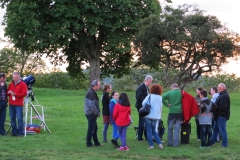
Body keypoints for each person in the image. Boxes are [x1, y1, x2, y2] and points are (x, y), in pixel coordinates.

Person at [142, 84, 163, 149]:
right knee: (154, 130)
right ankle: (159, 144)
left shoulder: (149, 96)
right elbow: (160, 107)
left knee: (149, 130)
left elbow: (143, 103)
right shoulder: (160, 97)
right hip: (156, 116)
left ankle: (151, 145)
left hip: (148, 115)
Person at [7, 72, 27, 137]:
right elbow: (7, 93)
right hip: (11, 104)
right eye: (14, 77)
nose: (15, 79)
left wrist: (15, 94)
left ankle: (20, 132)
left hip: (18, 104)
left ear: (19, 77)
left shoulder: (23, 84)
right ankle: (14, 132)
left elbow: (24, 93)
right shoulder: (10, 84)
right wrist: (9, 92)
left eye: (16, 78)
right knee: (12, 118)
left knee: (19, 119)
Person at [211, 83, 230, 148]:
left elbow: (223, 107)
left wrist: (217, 112)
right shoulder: (222, 94)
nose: (217, 88)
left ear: (221, 88)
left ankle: (225, 144)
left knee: (222, 130)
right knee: (215, 128)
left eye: (218, 87)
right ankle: (212, 141)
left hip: (221, 116)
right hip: (218, 115)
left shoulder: (224, 96)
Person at [84, 80, 102, 147]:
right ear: (95, 86)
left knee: (95, 128)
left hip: (90, 113)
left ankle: (96, 142)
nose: (100, 86)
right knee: (91, 128)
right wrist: (96, 112)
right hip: (91, 113)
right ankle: (89, 143)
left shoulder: (92, 92)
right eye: (99, 85)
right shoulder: (91, 93)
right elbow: (91, 105)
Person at [135, 75, 153, 141]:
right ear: (146, 80)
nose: (150, 83)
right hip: (141, 107)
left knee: (146, 121)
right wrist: (147, 99)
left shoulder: (146, 87)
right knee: (142, 121)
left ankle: (146, 136)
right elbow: (139, 97)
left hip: (145, 107)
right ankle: (140, 137)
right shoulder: (141, 87)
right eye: (149, 82)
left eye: (151, 82)